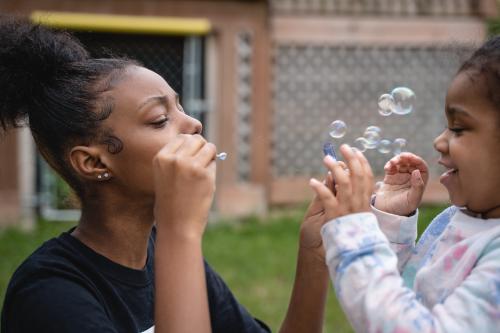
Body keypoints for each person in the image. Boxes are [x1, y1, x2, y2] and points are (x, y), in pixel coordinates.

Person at [0, 16, 330, 333]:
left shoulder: (164, 255)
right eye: (159, 119)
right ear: (94, 163)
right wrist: (180, 230)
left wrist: (314, 250)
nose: (194, 124)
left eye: (180, 107)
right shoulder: (49, 296)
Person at [309, 36, 500, 332]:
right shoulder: (457, 219)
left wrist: (355, 231)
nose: (439, 141)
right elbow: (403, 299)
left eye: (458, 128)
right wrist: (389, 220)